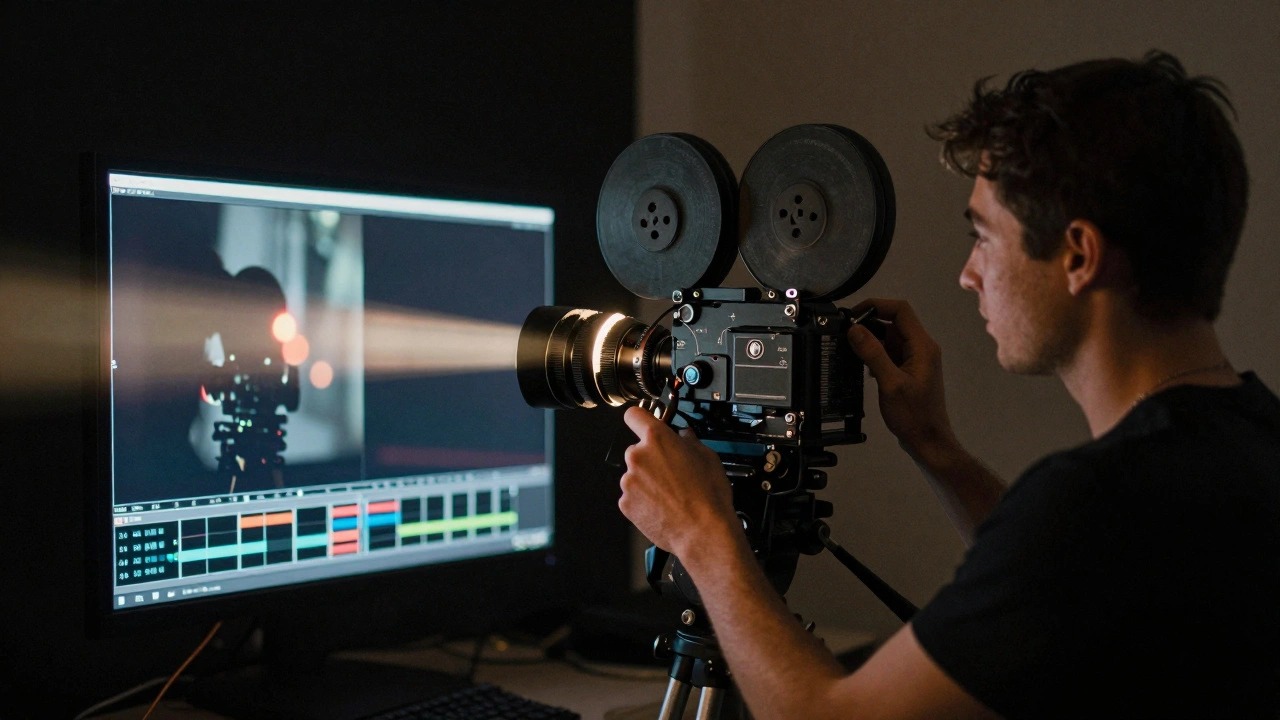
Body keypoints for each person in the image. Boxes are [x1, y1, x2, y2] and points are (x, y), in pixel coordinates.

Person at [618, 51, 1280, 719]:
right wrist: (937, 448)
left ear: (1078, 256)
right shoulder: (1249, 443)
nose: (968, 274)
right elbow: (1066, 583)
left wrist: (704, 536)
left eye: (984, 237)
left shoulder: (1097, 502)